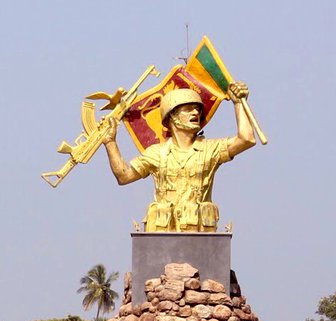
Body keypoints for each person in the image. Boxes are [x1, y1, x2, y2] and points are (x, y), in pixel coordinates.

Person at [101, 80, 255, 231]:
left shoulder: (210, 149)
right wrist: (110, 142)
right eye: (188, 109)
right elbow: (124, 176)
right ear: (172, 116)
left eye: (197, 109)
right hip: (163, 235)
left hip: (199, 235)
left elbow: (246, 139)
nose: (196, 113)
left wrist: (238, 103)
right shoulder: (157, 153)